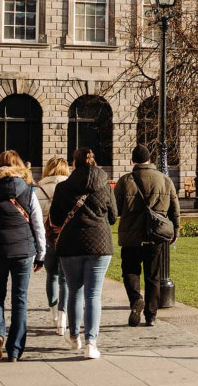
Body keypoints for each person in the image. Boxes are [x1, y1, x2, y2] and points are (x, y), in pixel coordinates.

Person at [0, 150, 46, 363]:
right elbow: (37, 223)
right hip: (23, 251)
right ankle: (15, 349)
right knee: (20, 299)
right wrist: (41, 254)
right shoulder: (28, 190)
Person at [50, 148, 117, 359]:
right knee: (93, 294)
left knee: (74, 291)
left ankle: (74, 337)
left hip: (70, 245)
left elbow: (55, 219)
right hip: (99, 244)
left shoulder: (63, 188)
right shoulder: (104, 186)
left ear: (74, 163)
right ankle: (91, 342)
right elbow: (114, 216)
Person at [115, 144, 180, 328]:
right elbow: (175, 208)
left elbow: (116, 209)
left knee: (129, 271)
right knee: (153, 276)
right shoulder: (164, 179)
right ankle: (151, 315)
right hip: (156, 235)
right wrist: (176, 229)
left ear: (133, 161)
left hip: (131, 236)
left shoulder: (125, 180)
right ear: (150, 160)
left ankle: (136, 299)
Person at [35, 156, 71, 335]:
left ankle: (54, 312)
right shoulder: (71, 187)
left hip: (46, 237)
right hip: (66, 237)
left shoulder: (39, 189)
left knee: (52, 276)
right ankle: (63, 319)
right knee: (65, 279)